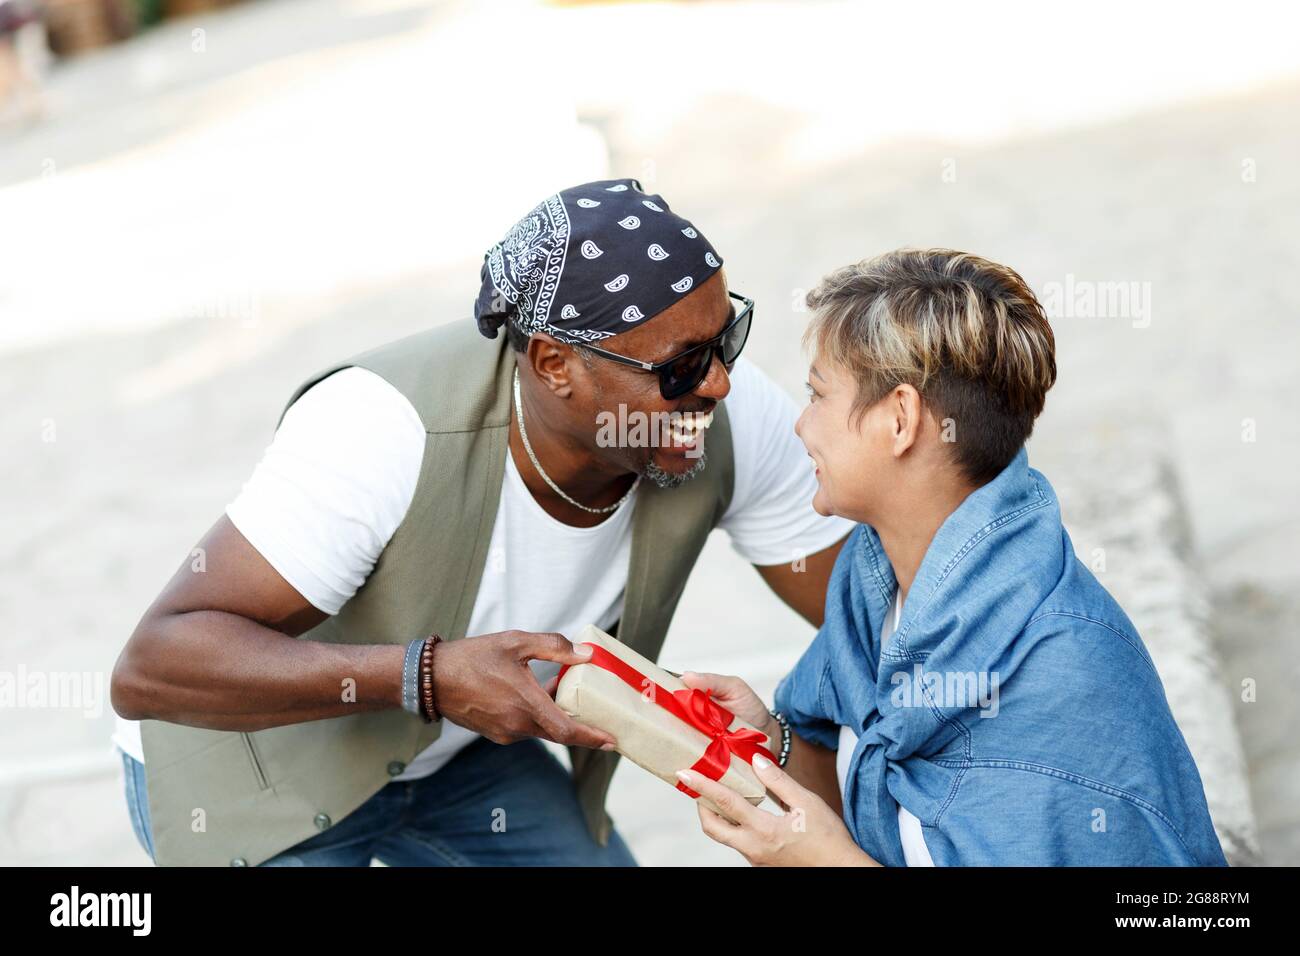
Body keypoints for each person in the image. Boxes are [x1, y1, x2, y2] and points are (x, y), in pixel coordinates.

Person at [110, 179, 853, 866]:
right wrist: (426, 677)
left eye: (729, 336)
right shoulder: (380, 431)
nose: (719, 381)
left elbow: (866, 615)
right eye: (682, 364)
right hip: (261, 766)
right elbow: (156, 663)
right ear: (554, 364)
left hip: (463, 754)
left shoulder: (723, 413)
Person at [677, 248, 1228, 866]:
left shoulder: (1066, 679)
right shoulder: (874, 582)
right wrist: (768, 738)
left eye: (818, 395)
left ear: (901, 420)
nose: (801, 427)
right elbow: (838, 751)